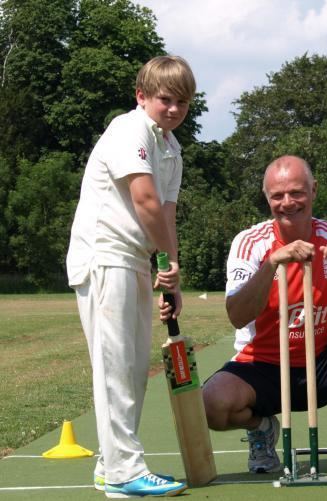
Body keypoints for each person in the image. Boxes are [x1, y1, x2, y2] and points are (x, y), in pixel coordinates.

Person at [190, 155, 327, 474]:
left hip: (324, 360)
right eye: (277, 196)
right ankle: (262, 429)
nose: (288, 203)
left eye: (297, 192)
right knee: (210, 405)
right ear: (266, 198)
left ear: (314, 191)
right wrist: (271, 264)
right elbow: (237, 316)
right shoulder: (250, 242)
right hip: (263, 365)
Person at [66, 55, 196, 498]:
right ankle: (124, 473)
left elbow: (167, 214)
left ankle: (110, 463)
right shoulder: (130, 129)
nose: (174, 109)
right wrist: (163, 257)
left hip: (137, 260)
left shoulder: (171, 148)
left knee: (135, 369)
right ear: (142, 96)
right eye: (165, 99)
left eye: (183, 101)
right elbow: (143, 200)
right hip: (105, 255)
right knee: (116, 367)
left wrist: (171, 274)